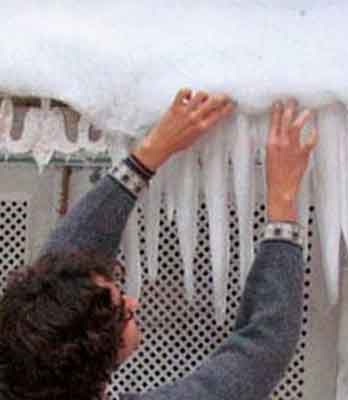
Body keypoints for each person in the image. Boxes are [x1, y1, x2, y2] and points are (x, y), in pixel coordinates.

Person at [0, 89, 317, 400]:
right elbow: (263, 348)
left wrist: (149, 154)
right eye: (120, 312)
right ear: (95, 358)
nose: (133, 303)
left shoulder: (28, 374)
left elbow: (60, 273)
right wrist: (283, 201)